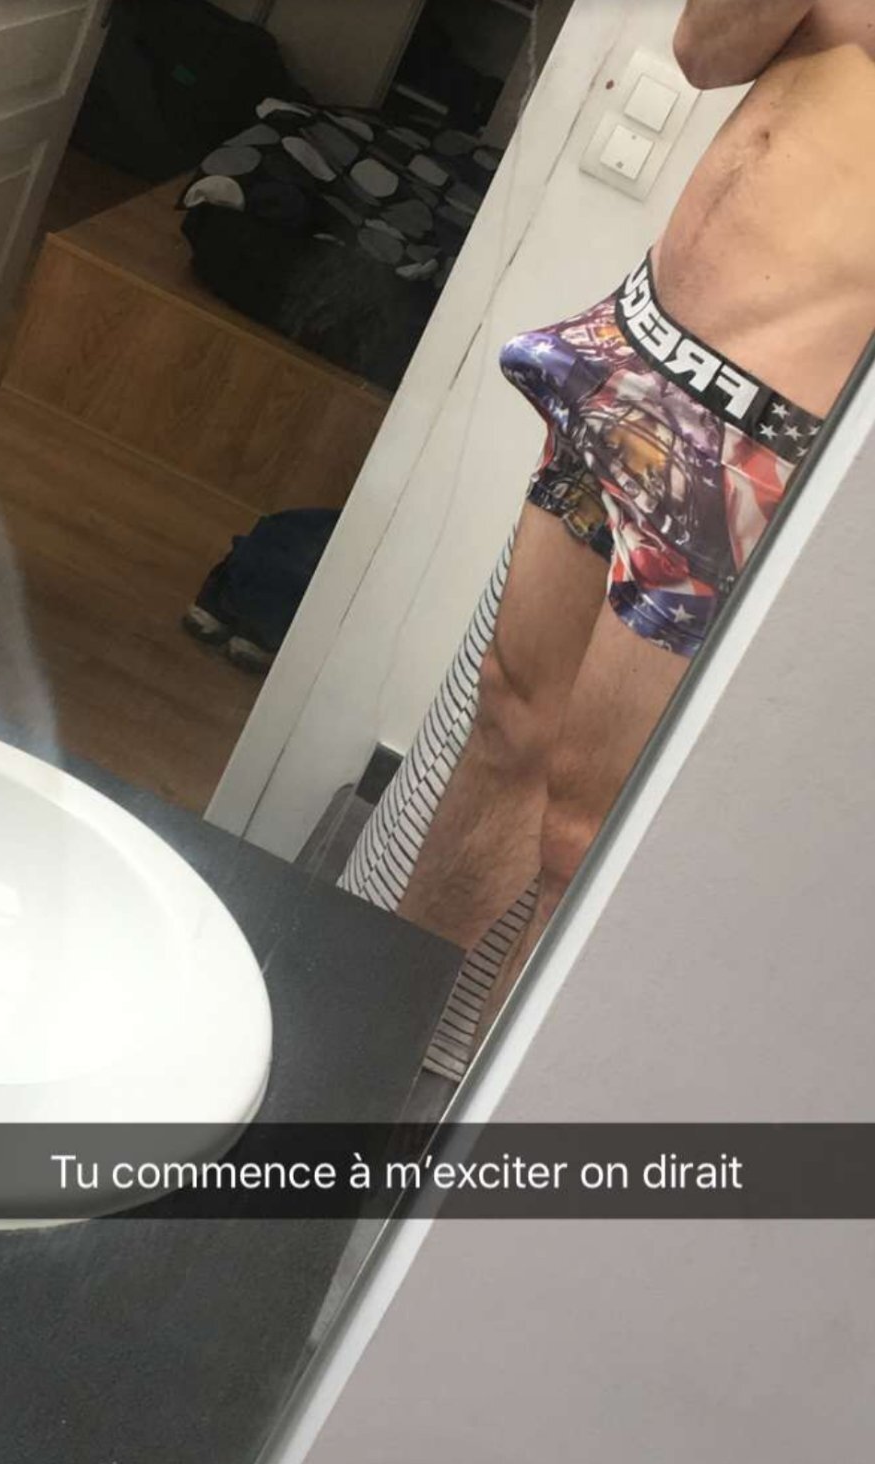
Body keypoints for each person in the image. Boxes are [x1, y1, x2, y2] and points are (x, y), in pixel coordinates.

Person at [340, 1, 875, 1079]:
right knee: (505, 719)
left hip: (757, 441)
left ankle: (460, 1152)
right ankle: (349, 1069)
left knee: (580, 834)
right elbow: (702, 51)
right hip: (639, 352)